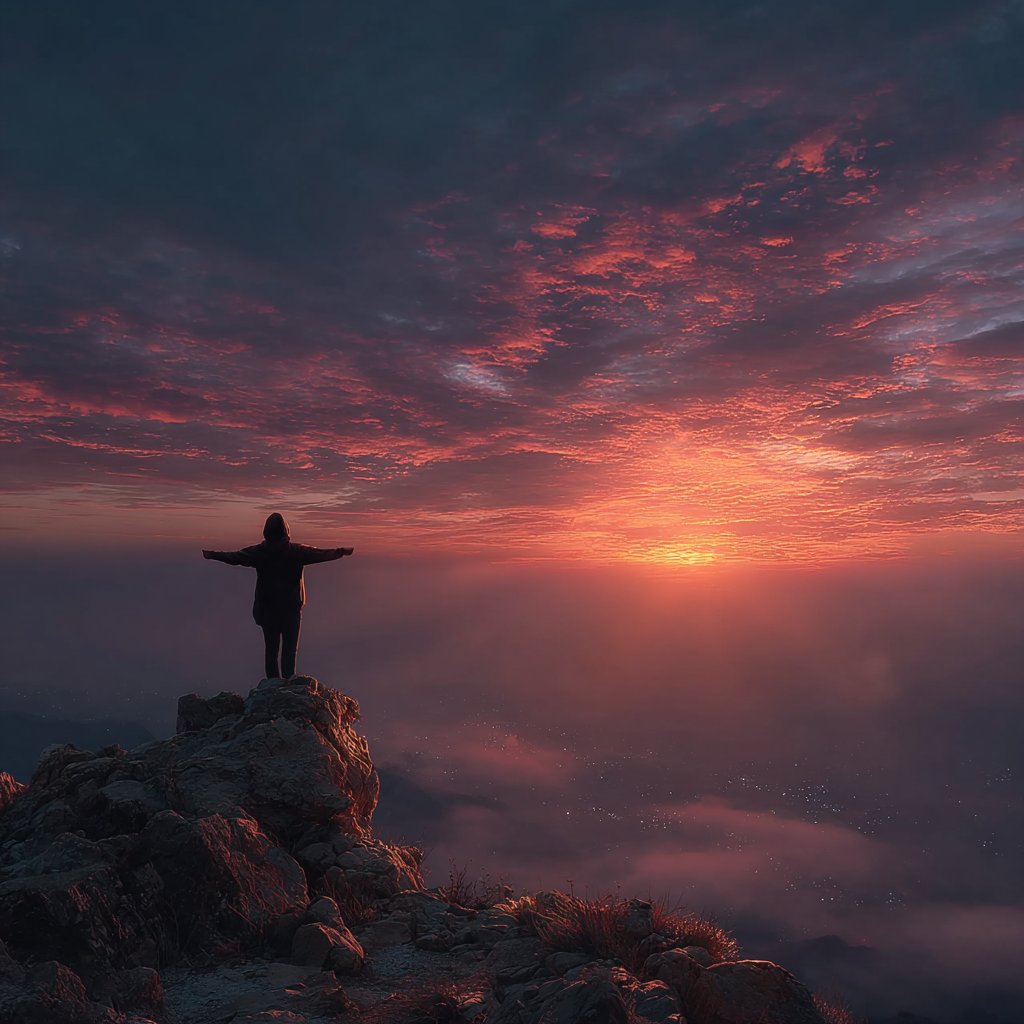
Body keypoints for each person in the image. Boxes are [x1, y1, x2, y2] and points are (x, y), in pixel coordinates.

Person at [202, 512, 353, 680]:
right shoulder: (296, 552)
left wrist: (213, 554)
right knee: (289, 651)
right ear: (286, 532)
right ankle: (288, 685)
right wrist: (341, 552)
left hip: (268, 610)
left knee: (271, 650)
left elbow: (235, 557)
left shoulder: (260, 552)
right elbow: (320, 554)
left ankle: (273, 686)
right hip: (291, 610)